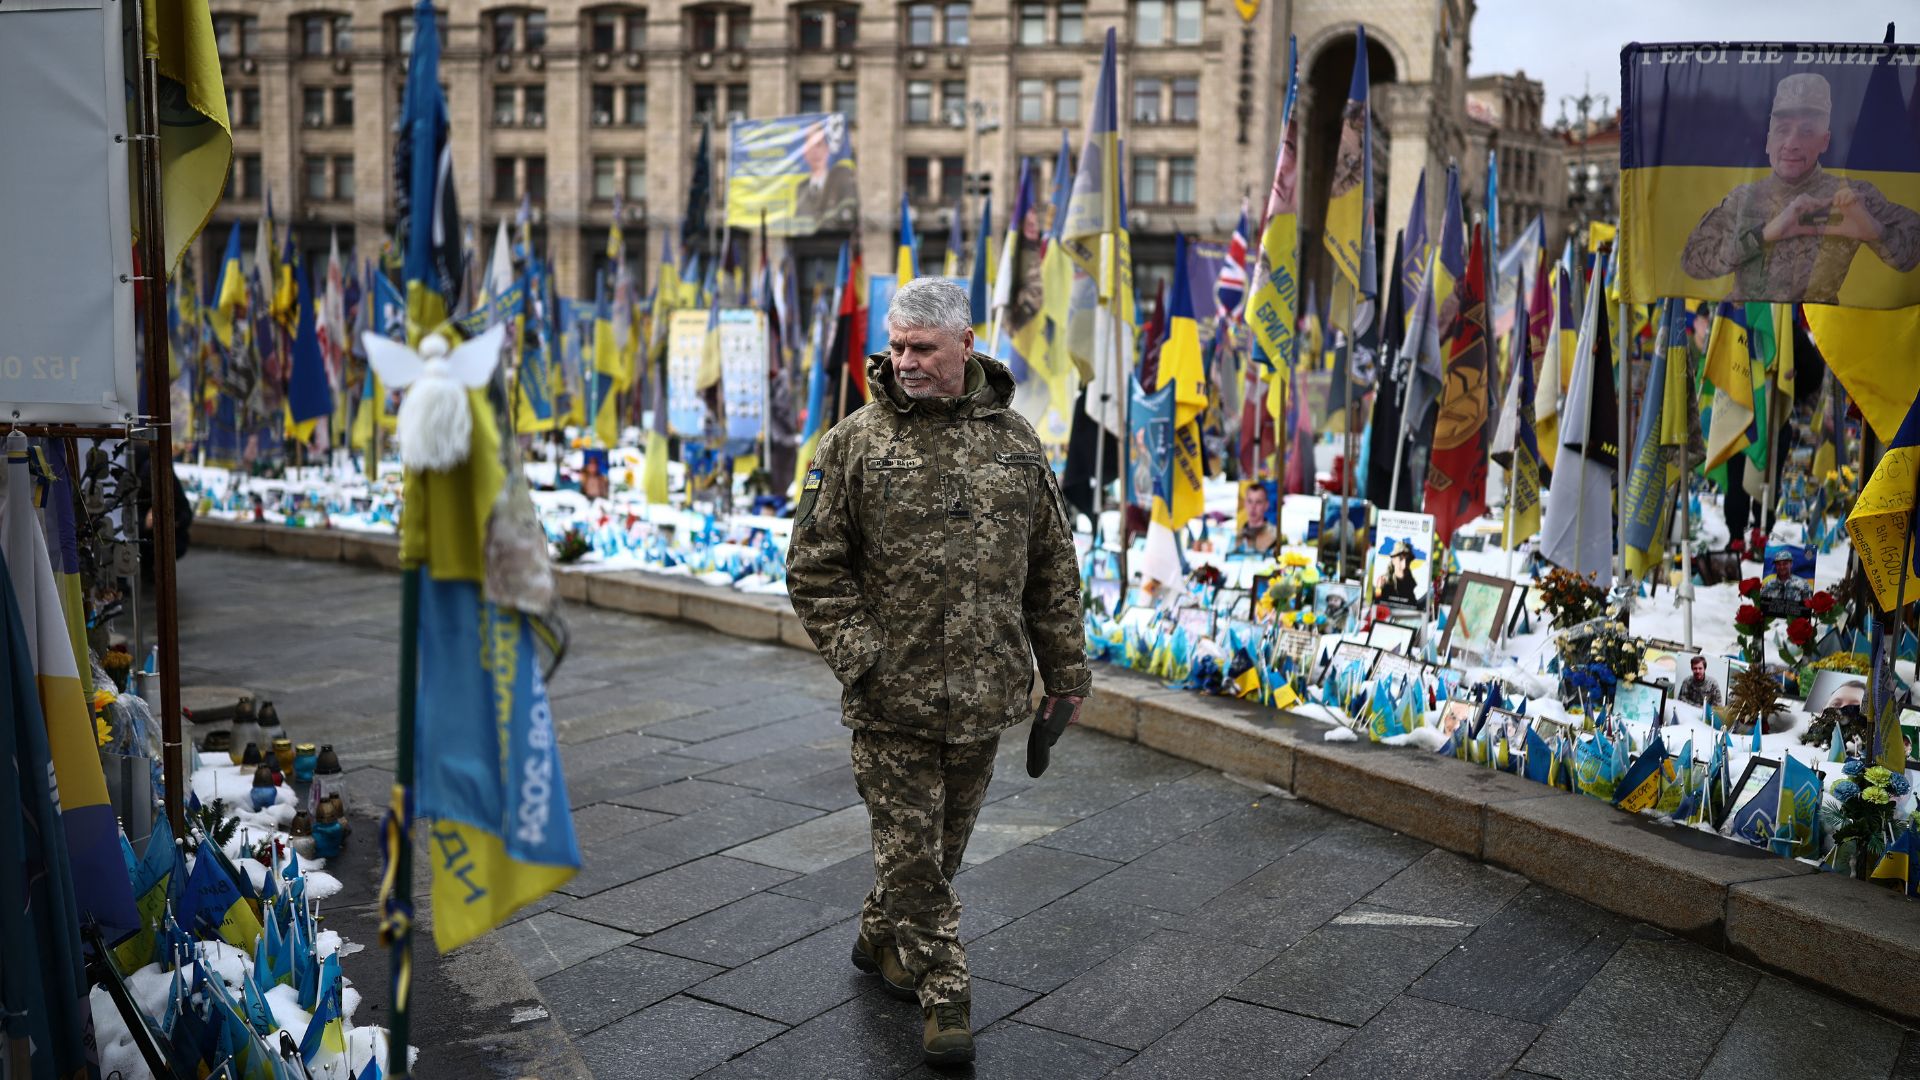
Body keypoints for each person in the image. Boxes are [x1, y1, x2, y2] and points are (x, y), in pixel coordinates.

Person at [787, 277, 1090, 1067]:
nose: (905, 361)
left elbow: (1051, 571)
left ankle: (882, 934)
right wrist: (865, 660)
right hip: (892, 699)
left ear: (966, 343)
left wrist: (1067, 674)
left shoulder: (1017, 444)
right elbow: (813, 569)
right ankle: (944, 993)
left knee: (939, 848)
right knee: (915, 854)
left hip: (985, 693)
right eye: (896, 345)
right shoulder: (853, 443)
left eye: (923, 347)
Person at [1681, 73, 1920, 303]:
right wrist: (1765, 234)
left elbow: (1911, 253)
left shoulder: (1849, 198)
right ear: (1768, 141)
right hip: (1752, 332)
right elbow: (1693, 260)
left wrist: (1873, 230)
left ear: (1824, 141)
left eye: (1807, 132)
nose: (1792, 144)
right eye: (1783, 130)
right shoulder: (1743, 199)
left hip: (1815, 335)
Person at [792, 116, 858, 229]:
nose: (815, 152)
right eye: (810, 146)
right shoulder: (801, 188)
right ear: (804, 153)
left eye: (819, 145)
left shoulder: (841, 181)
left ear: (827, 149)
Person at [1373, 539, 1423, 605]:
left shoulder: (1411, 584)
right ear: (1393, 560)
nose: (1404, 564)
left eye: (1407, 560)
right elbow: (1377, 602)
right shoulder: (1384, 581)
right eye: (1401, 558)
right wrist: (1378, 589)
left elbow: (1413, 605)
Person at [1237, 482, 1276, 554]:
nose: (1253, 507)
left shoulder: (1274, 536)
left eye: (1258, 502)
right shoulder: (1237, 535)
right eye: (1250, 501)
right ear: (1245, 503)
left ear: (1266, 505)